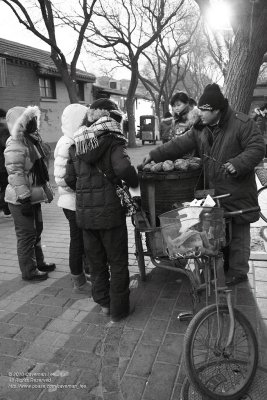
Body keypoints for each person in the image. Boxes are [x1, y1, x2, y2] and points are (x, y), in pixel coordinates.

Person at [140, 83, 265, 286]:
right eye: (201, 109)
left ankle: (239, 271)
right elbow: (178, 144)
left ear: (218, 110)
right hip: (214, 192)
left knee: (239, 232)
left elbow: (258, 147)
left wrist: (237, 163)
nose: (202, 114)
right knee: (220, 230)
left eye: (207, 111)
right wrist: (154, 154)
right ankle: (223, 266)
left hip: (238, 190)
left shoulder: (242, 123)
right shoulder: (201, 128)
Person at [65, 98, 139, 322]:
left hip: (86, 217)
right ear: (110, 117)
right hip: (110, 215)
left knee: (97, 263)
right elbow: (124, 168)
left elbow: (69, 179)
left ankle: (104, 305)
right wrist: (132, 181)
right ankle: (119, 310)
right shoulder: (113, 141)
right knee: (117, 262)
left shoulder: (77, 143)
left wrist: (86, 191)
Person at [4, 106, 56, 281]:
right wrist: (24, 198)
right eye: (29, 119)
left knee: (37, 231)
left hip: (32, 196)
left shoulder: (32, 141)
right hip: (21, 199)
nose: (34, 122)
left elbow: (41, 166)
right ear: (21, 124)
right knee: (26, 235)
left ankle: (39, 262)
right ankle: (29, 270)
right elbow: (15, 173)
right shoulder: (15, 144)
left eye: (34, 118)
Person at [54, 103, 91, 293]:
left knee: (80, 240)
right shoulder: (69, 143)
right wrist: (82, 191)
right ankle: (78, 280)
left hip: (71, 200)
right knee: (77, 241)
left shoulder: (67, 139)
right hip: (72, 201)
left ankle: (83, 274)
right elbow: (64, 178)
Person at [0, 108, 11, 217]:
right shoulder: (3, 130)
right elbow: (6, 144)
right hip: (2, 164)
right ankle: (5, 207)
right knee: (5, 185)